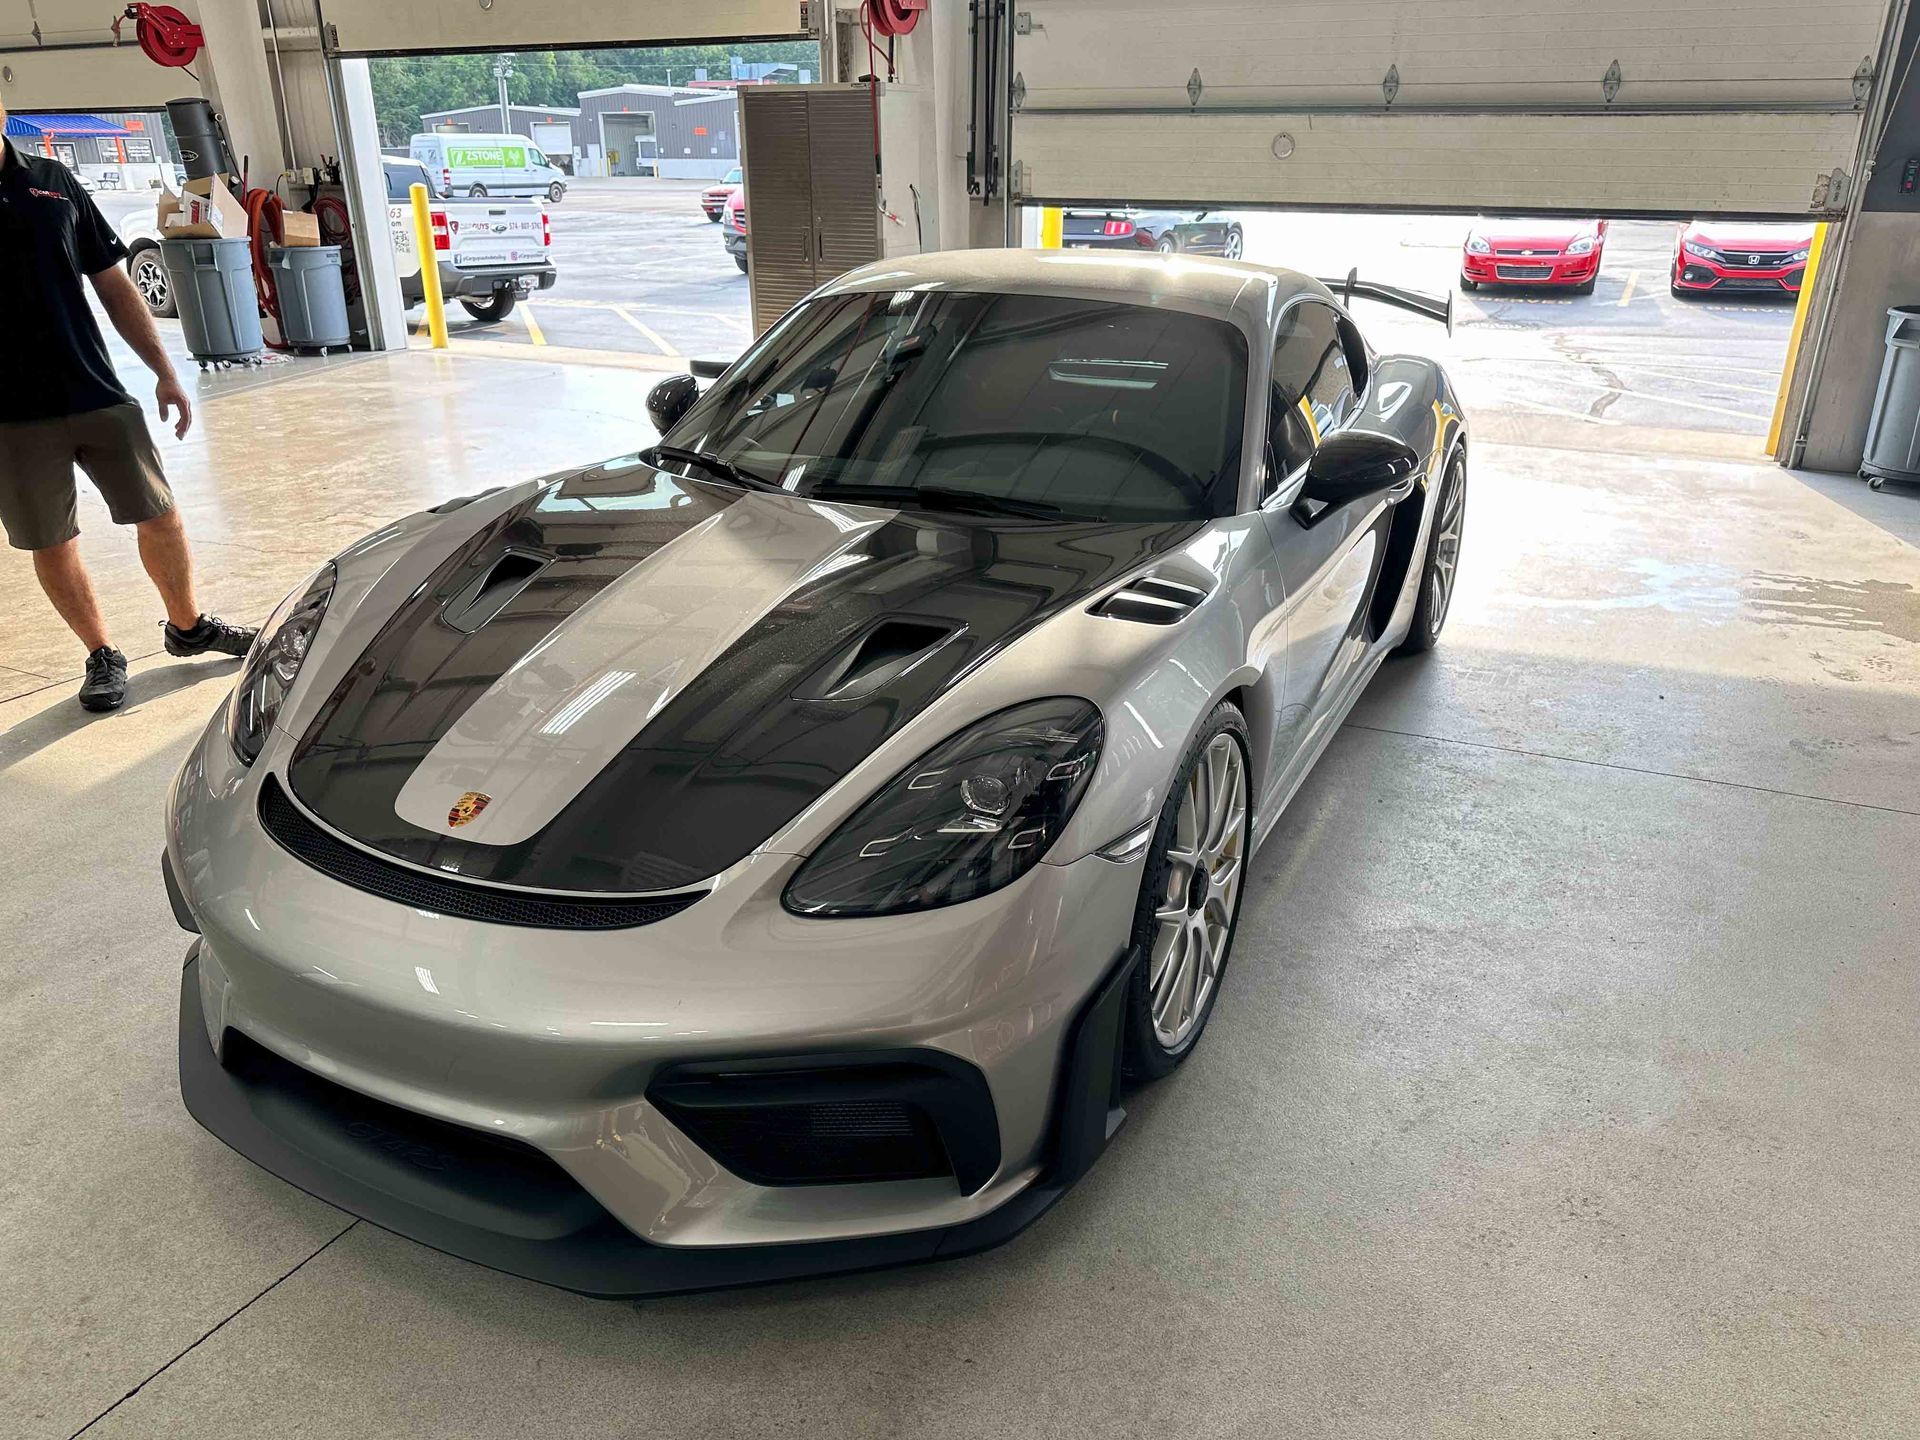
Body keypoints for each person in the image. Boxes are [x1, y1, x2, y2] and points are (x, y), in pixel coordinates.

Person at [0, 108, 256, 712]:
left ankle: (187, 627)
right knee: (52, 539)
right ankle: (101, 653)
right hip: (10, 414)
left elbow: (114, 286)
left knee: (159, 514)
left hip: (96, 391)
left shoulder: (53, 181)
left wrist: (165, 372)